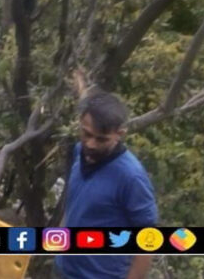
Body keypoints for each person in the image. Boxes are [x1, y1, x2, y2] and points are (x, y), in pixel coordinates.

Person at [55, 91, 157, 279]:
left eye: (101, 139)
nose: (91, 144)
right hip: (65, 269)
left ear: (119, 134)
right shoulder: (79, 151)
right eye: (86, 134)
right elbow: (75, 204)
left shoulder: (131, 177)